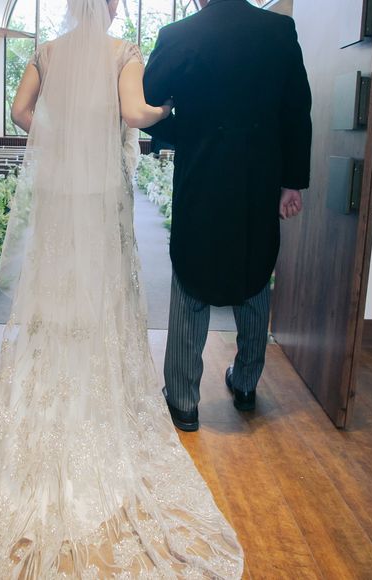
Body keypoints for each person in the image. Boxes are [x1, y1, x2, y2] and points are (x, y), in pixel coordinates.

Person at [0, 0, 244, 576]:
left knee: (56, 280)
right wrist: (169, 105)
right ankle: (92, 382)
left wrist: (60, 138)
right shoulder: (123, 53)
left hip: (61, 191)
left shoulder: (48, 53)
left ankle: (49, 375)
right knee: (101, 286)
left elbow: (20, 111)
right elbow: (135, 114)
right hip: (101, 192)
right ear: (111, 5)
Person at [143, 0, 312, 431]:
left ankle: (183, 400)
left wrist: (187, 134)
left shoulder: (178, 35)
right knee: (255, 272)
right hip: (259, 179)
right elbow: (296, 112)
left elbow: (146, 107)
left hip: (201, 175)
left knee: (191, 275)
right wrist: (291, 182)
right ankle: (246, 383)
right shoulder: (279, 31)